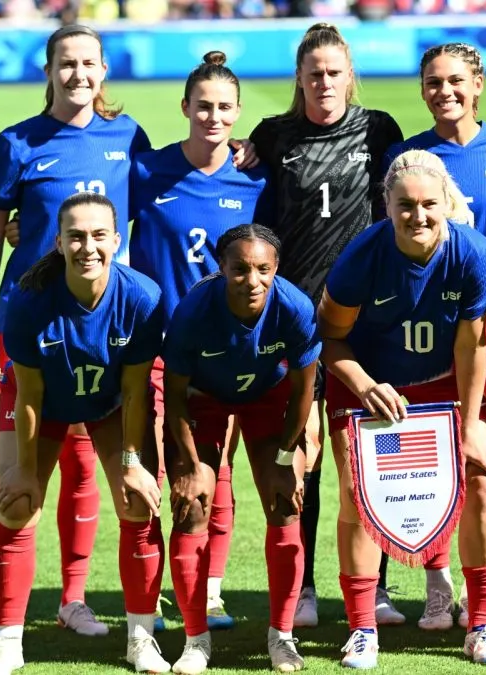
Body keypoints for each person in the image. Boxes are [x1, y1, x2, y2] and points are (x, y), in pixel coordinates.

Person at [0, 23, 150, 642]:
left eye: (88, 64)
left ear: (103, 72)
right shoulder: (17, 142)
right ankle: (6, 606)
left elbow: (160, 201)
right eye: (66, 64)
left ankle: (72, 599)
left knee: (82, 465)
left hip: (101, 331)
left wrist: (240, 151)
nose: (78, 74)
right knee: (15, 469)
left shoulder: (128, 137)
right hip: (29, 329)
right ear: (48, 71)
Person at [317, 149, 486, 668]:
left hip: (442, 383)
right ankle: (361, 630)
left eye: (428, 204)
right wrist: (364, 383)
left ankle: (484, 626)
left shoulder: (472, 252)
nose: (417, 215)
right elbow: (329, 340)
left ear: (447, 202)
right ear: (387, 206)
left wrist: (470, 427)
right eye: (405, 205)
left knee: (485, 483)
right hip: (366, 385)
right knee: (359, 496)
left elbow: (472, 349)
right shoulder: (362, 257)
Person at [249, 21, 404, 629]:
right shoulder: (274, 135)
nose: (324, 83)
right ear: (300, 79)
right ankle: (307, 586)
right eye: (314, 73)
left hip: (367, 320)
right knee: (303, 455)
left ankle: (379, 588)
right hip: (297, 320)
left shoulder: (378, 129)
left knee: (372, 454)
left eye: (335, 72)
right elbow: (247, 208)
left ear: (350, 76)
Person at [0, 192, 168, 675]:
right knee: (18, 504)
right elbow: (28, 396)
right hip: (46, 406)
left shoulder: (142, 297)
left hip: (109, 406)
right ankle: (8, 642)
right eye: (76, 237)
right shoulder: (27, 301)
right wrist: (22, 471)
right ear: (58, 242)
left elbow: (135, 389)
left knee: (138, 502)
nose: (88, 247)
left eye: (99, 236)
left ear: (116, 241)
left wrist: (132, 464)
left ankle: (141, 640)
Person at [383, 41, 486, 631]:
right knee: (435, 458)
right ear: (422, 90)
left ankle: (480, 586)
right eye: (434, 82)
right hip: (433, 333)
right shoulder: (405, 157)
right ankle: (436, 581)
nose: (445, 91)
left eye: (456, 81)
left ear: (479, 84)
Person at [129, 49, 274, 632]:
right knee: (160, 470)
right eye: (203, 107)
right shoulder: (147, 172)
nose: (213, 117)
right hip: (160, 350)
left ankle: (207, 591)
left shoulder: (256, 181)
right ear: (184, 107)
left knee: (219, 472)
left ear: (238, 113)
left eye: (224, 108)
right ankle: (150, 594)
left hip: (229, 352)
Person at [162, 225, 319, 674]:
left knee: (285, 500)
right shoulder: (193, 312)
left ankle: (282, 637)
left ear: (276, 269)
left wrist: (291, 456)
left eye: (263, 270)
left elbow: (304, 389)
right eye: (240, 269)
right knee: (192, 503)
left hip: (268, 400)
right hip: (203, 401)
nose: (252, 280)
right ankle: (195, 641)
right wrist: (191, 465)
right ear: (222, 268)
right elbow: (174, 398)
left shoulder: (295, 308)